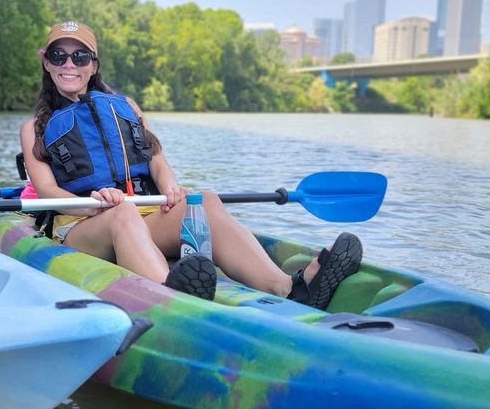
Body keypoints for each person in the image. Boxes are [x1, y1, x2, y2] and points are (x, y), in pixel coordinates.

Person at [19, 20, 363, 307]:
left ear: (93, 65)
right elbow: (48, 190)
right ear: (46, 61)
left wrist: (170, 186)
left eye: (79, 57)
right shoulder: (33, 128)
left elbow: (156, 161)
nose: (69, 65)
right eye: (59, 56)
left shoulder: (127, 107)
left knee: (205, 201)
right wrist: (93, 203)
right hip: (80, 226)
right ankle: (171, 295)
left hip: (142, 212)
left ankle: (288, 288)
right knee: (122, 213)